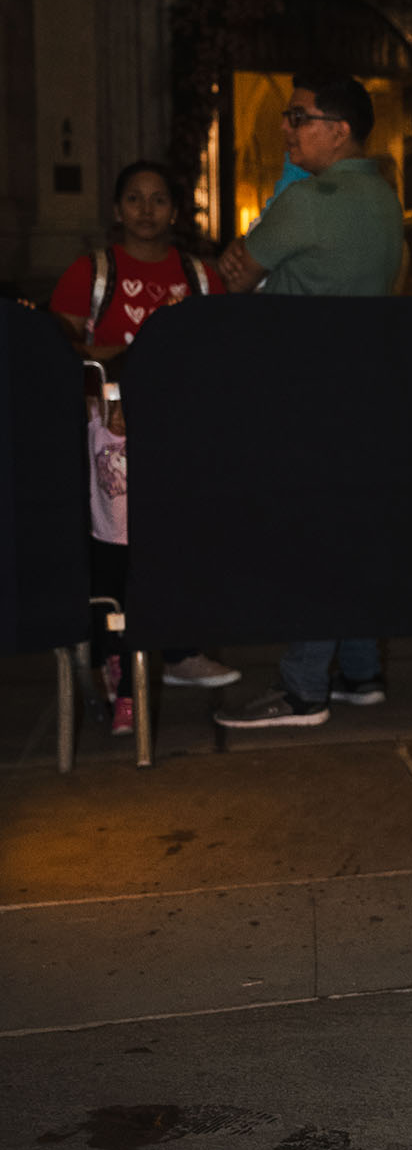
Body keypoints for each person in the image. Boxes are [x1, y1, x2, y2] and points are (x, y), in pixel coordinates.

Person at [213, 75, 404, 728]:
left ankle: (302, 688)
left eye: (299, 117)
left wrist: (257, 258)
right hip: (362, 384)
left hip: (302, 386)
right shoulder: (382, 196)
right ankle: (358, 670)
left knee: (312, 535)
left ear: (339, 129)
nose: (287, 128)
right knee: (345, 526)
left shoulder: (309, 201)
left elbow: (233, 274)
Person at [49, 161, 239, 730]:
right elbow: (63, 343)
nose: (147, 210)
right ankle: (115, 661)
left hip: (183, 429)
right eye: (135, 199)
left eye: (159, 200)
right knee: (116, 545)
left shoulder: (200, 275)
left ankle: (181, 652)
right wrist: (112, 362)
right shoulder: (93, 270)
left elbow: (221, 344)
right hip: (113, 431)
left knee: (181, 537)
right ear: (116, 209)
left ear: (176, 212)